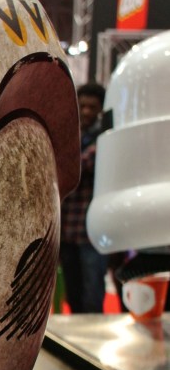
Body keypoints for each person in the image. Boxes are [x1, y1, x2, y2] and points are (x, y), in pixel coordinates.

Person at [59, 81, 109, 313]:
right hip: (67, 230)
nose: (87, 111)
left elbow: (76, 167)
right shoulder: (71, 134)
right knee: (73, 293)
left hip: (91, 232)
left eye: (92, 107)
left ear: (100, 109)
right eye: (83, 106)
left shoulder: (104, 138)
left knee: (92, 295)